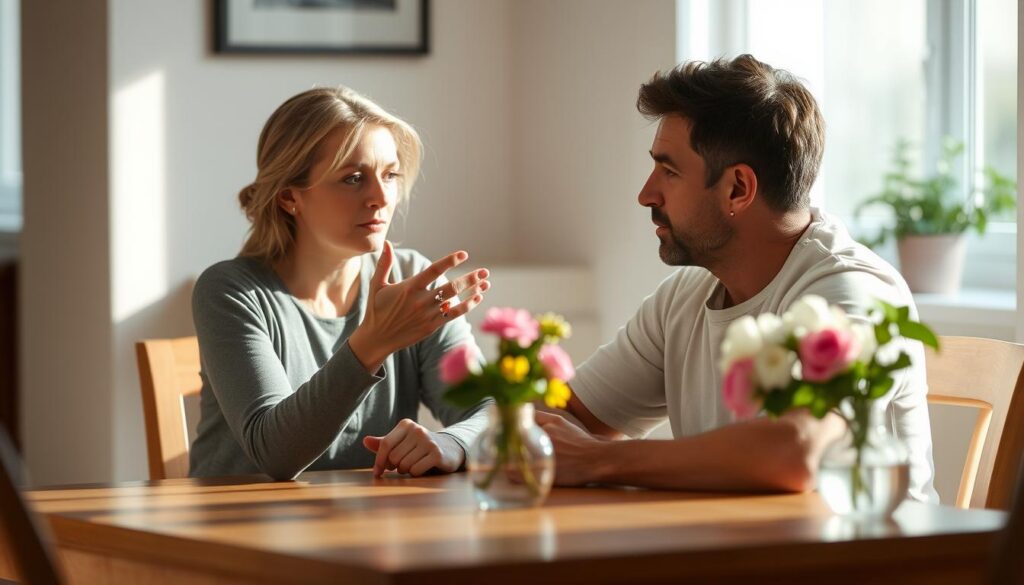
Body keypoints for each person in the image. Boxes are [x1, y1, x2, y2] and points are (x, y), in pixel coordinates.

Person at [537, 55, 939, 502]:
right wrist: (459, 443)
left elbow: (795, 451)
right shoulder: (684, 299)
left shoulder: (850, 289)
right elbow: (566, 414)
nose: (646, 194)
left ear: (737, 189)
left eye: (669, 172)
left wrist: (598, 460)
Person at [189, 87, 491, 481]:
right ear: (288, 198)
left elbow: (490, 410)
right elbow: (275, 454)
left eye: (390, 175)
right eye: (352, 179)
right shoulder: (230, 292)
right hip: (238, 529)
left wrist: (454, 442)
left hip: (369, 529)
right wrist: (373, 342)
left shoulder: (410, 280)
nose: (381, 197)